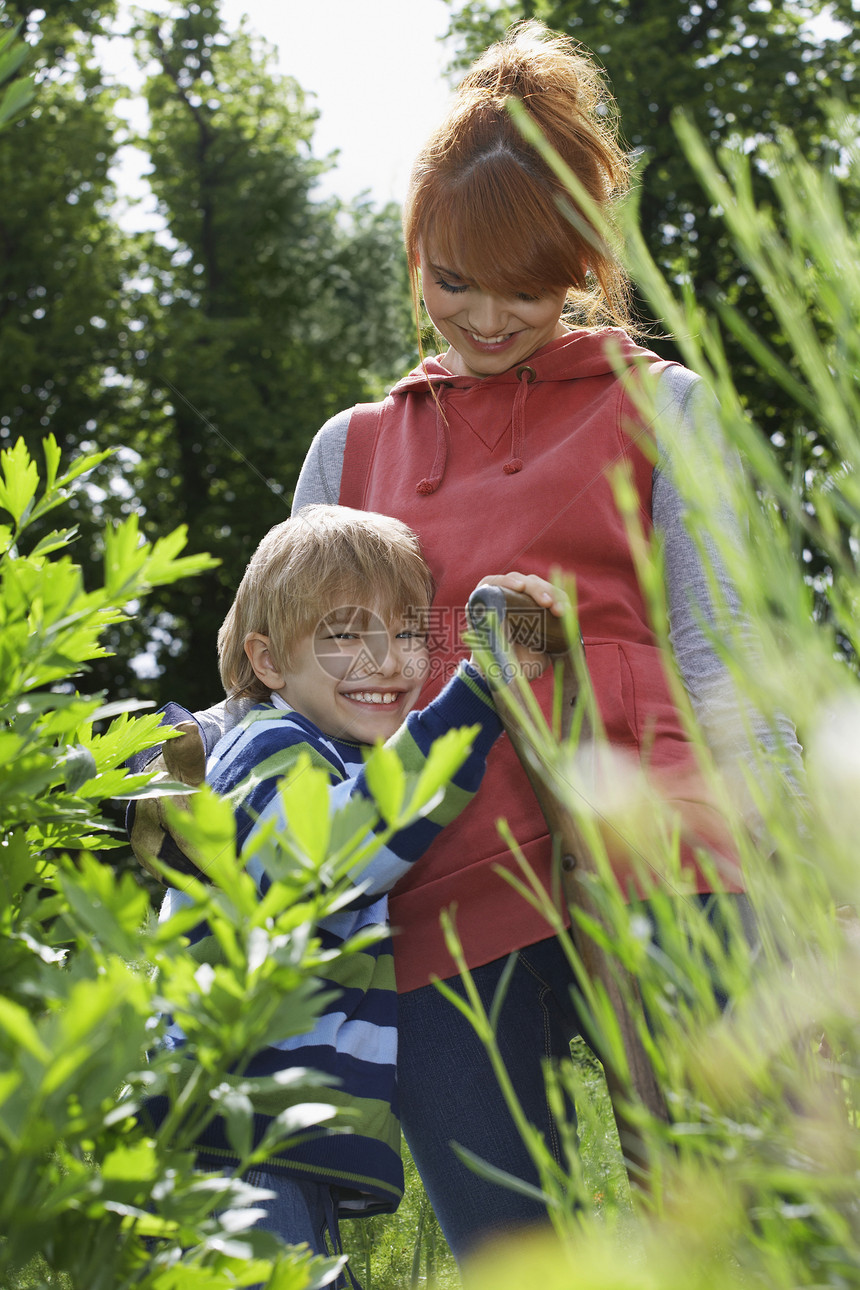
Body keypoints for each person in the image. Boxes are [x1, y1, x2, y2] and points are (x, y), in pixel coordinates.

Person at [289, 19, 800, 1261]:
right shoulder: (351, 450)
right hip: (438, 894)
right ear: (413, 253)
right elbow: (293, 689)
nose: (484, 315)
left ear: (578, 261)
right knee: (515, 1258)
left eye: (525, 282)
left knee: (725, 1232)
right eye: (451, 277)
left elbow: (715, 649)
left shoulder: (663, 409)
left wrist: (796, 883)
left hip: (661, 873)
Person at [139, 503, 564, 1284]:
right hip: (231, 1125)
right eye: (343, 634)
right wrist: (479, 691)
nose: (387, 660)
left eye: (405, 633)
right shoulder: (265, 752)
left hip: (264, 1130)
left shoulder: (325, 754)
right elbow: (337, 850)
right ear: (268, 663)